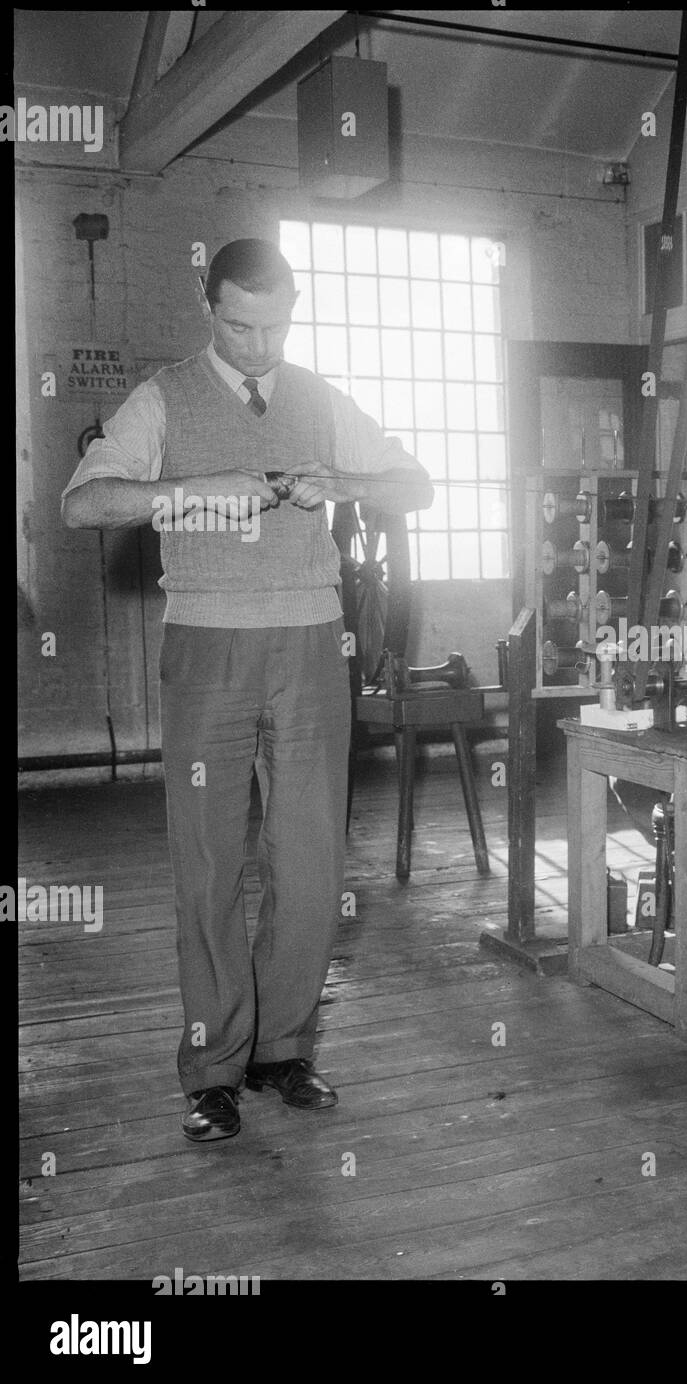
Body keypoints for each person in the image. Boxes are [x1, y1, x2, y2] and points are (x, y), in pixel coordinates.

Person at [62, 238, 433, 1142]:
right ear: (206, 305)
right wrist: (197, 492)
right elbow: (85, 502)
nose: (259, 344)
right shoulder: (165, 395)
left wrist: (343, 483)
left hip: (311, 643)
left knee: (310, 862)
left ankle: (284, 1051)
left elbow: (415, 485)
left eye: (275, 324)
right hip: (207, 647)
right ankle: (214, 1066)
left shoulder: (317, 396)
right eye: (239, 324)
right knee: (209, 862)